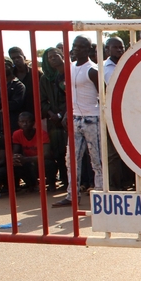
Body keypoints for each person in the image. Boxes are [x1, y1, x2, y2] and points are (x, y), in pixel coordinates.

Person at [53, 35, 103, 207]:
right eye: (75, 46)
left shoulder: (93, 70)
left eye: (81, 47)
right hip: (75, 118)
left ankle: (101, 193)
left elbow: (104, 95)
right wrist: (68, 113)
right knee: (71, 159)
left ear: (88, 49)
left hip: (92, 119)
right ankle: (72, 195)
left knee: (96, 159)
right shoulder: (71, 67)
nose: (77, 49)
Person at [103, 36, 134, 191]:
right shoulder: (102, 69)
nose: (119, 50)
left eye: (121, 47)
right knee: (113, 155)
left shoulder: (129, 64)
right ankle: (115, 187)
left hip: (132, 113)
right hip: (112, 116)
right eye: (115, 47)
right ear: (107, 49)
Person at [39, 47, 68, 190]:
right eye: (49, 57)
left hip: (67, 116)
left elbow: (70, 97)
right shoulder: (44, 79)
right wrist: (51, 114)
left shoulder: (66, 73)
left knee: (69, 149)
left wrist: (62, 114)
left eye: (55, 55)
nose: (53, 59)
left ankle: (73, 180)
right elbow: (42, 101)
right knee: (57, 151)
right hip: (53, 121)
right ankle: (63, 179)